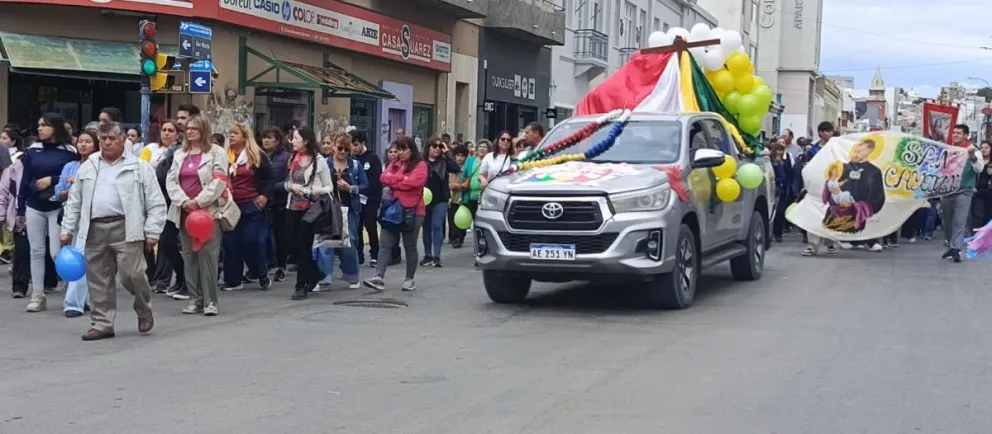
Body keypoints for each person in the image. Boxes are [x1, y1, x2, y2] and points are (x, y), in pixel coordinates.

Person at [60, 122, 166, 341]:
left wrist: (152, 232)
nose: (107, 143)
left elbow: (155, 202)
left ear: (123, 140)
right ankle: (102, 323)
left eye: (112, 138)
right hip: (94, 228)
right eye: (103, 139)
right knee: (98, 278)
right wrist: (67, 228)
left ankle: (144, 309)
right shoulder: (89, 165)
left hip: (127, 226)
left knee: (133, 274)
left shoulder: (139, 167)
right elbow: (75, 200)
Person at [166, 115, 228, 315]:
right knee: (189, 256)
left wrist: (199, 201)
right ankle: (195, 299)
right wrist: (184, 201)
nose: (189, 131)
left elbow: (219, 181)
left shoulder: (217, 152)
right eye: (188, 128)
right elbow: (171, 181)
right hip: (185, 212)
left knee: (208, 256)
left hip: (208, 213)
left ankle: (211, 301)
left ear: (204, 130)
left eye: (194, 128)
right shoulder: (179, 154)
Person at [19, 113, 77, 312]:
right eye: (39, 125)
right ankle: (37, 294)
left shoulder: (69, 151)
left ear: (56, 127)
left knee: (57, 253)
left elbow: (74, 174)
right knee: (36, 251)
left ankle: (72, 292)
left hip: (57, 206)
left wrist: (53, 179)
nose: (40, 128)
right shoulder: (33, 150)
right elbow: (25, 179)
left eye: (45, 125)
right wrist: (20, 207)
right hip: (34, 204)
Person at [362, 137, 427, 292]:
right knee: (385, 243)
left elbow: (415, 182)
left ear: (412, 150)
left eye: (404, 149)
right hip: (392, 209)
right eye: (399, 150)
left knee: (410, 245)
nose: (401, 153)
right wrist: (402, 178)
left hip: (413, 210)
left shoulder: (420, 165)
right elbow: (383, 178)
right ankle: (378, 276)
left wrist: (396, 181)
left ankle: (409, 279)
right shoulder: (395, 164)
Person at [221, 123, 273, 291]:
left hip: (251, 204)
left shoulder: (256, 155)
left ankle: (260, 272)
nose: (231, 136)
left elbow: (270, 178)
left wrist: (264, 196)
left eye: (235, 133)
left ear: (245, 137)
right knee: (230, 242)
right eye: (230, 133)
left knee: (251, 241)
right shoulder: (223, 156)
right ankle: (233, 280)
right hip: (230, 205)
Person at [283, 126, 333, 300]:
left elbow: (329, 187)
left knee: (304, 246)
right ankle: (315, 273)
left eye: (296, 138)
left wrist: (315, 191)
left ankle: (301, 285)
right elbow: (286, 183)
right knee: (291, 244)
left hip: (311, 209)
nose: (292, 141)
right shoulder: (292, 158)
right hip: (293, 206)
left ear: (305, 140)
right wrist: (292, 186)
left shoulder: (319, 161)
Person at [55, 129, 99, 317]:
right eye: (80, 141)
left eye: (88, 141)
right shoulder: (70, 166)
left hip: (94, 216)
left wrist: (76, 183)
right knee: (77, 258)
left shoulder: (98, 165)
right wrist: (68, 190)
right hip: (73, 215)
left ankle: (80, 301)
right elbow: (59, 190)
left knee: (92, 260)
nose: (83, 145)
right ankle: (77, 302)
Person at [321, 132, 366, 289]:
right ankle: (324, 277)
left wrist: (351, 188)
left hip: (349, 208)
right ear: (334, 147)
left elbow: (366, 185)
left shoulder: (355, 165)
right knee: (325, 243)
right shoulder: (325, 163)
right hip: (328, 207)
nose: (343, 152)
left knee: (350, 242)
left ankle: (352, 276)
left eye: (346, 149)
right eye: (340, 148)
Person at [153, 120, 188, 299]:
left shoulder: (181, 153)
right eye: (164, 130)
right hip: (163, 203)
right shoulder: (162, 153)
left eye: (170, 131)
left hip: (178, 202)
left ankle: (187, 281)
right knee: (166, 242)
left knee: (183, 244)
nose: (166, 133)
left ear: (178, 135)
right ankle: (181, 276)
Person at [940, 124, 984, 262]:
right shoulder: (948, 149)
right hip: (947, 190)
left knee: (959, 221)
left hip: (964, 190)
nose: (955, 135)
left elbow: (979, 169)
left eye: (959, 133)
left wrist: (972, 156)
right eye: (954, 132)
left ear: (965, 135)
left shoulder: (973, 150)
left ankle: (956, 249)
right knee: (947, 221)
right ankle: (951, 245)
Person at [421, 136, 460, 267]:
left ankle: (436, 256)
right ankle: (428, 255)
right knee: (426, 227)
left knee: (437, 225)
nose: (437, 149)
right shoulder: (421, 162)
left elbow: (456, 168)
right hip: (424, 199)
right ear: (428, 148)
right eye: (434, 146)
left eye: (440, 146)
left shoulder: (444, 161)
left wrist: (447, 152)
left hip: (441, 198)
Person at [260, 126, 291, 281]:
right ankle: (266, 264)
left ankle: (281, 265)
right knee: (263, 235)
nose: (266, 140)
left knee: (280, 236)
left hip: (280, 202)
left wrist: (272, 187)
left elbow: (289, 180)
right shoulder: (259, 156)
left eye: (269, 138)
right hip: (264, 201)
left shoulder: (286, 158)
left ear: (277, 140)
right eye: (264, 137)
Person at [350, 129, 382, 267]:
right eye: (352, 145)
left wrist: (365, 190)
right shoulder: (352, 159)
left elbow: (376, 180)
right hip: (356, 198)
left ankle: (375, 254)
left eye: (356, 144)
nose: (353, 148)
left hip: (371, 199)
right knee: (357, 227)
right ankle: (359, 255)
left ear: (363, 143)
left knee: (370, 225)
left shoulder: (373, 158)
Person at [448, 144, 473, 248]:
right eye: (458, 155)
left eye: (462, 156)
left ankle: (459, 238)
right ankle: (453, 237)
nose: (460, 158)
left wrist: (456, 185)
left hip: (462, 198)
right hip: (452, 199)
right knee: (452, 219)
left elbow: (466, 185)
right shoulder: (451, 168)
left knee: (461, 219)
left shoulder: (467, 169)